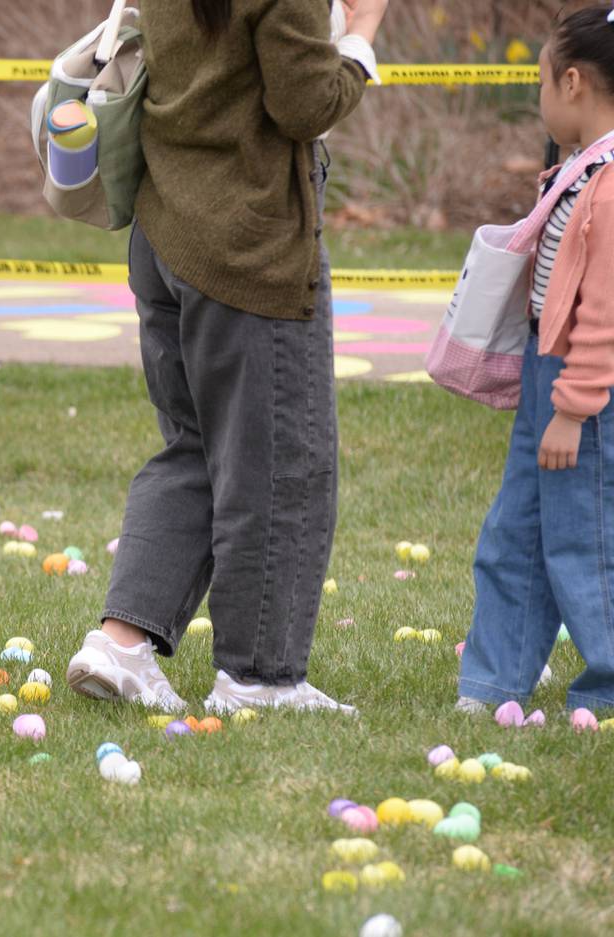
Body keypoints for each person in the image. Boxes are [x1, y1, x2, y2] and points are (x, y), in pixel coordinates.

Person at [64, 0, 387, 714]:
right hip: (246, 247)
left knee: (194, 450)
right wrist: (361, 38)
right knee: (279, 464)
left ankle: (120, 643)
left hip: (165, 229)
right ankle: (261, 676)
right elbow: (306, 105)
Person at [457, 5, 614, 717]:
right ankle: (494, 684)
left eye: (542, 80)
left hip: (588, 387)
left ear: (573, 82)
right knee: (514, 535)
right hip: (548, 375)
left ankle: (607, 689)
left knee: (589, 542)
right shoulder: (582, 168)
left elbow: (607, 312)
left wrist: (574, 408)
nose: (540, 96)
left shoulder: (610, 183)